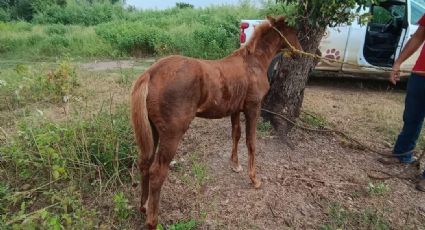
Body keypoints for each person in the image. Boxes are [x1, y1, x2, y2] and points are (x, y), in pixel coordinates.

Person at [389, 13, 425, 192]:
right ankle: (402, 154)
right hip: (420, 76)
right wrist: (398, 63)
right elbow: (419, 36)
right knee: (411, 117)